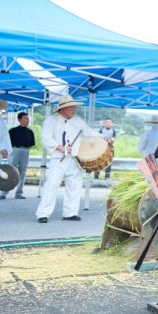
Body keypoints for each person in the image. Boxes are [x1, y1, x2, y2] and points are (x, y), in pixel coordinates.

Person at [35, 94, 103, 223]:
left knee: (74, 186)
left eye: (73, 107)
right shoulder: (51, 120)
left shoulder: (77, 121)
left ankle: (70, 213)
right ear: (63, 109)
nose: (73, 109)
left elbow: (88, 132)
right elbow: (46, 138)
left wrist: (103, 137)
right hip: (58, 159)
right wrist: (59, 147)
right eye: (70, 107)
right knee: (52, 185)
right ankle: (43, 213)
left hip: (74, 158)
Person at [0, 112, 35, 200]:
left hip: (25, 151)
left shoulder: (30, 132)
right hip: (14, 150)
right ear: (19, 119)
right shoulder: (12, 131)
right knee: (10, 172)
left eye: (28, 119)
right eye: (25, 118)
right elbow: (6, 142)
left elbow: (32, 143)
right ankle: (3, 193)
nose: (27, 120)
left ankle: (19, 193)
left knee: (23, 173)